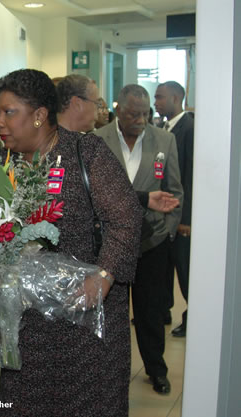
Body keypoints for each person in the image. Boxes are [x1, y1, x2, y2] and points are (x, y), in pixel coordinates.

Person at [0, 69, 142, 416]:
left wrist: (104, 277)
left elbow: (127, 218)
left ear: (40, 115)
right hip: (31, 327)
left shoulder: (85, 153)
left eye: (9, 112)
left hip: (87, 320)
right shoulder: (5, 164)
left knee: (85, 404)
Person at [96, 84, 183, 395]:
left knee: (150, 312)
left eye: (145, 113)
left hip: (152, 242)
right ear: (119, 110)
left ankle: (156, 369)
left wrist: (168, 232)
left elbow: (175, 190)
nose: (141, 119)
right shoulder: (98, 139)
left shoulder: (165, 140)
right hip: (111, 244)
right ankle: (109, 372)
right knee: (111, 314)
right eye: (133, 113)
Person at [155, 81, 194, 338]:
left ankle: (192, 316)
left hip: (181, 216)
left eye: (160, 97)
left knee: (185, 270)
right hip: (163, 212)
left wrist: (186, 218)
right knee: (165, 267)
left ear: (176, 98)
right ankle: (164, 311)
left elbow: (190, 176)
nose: (156, 102)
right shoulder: (161, 128)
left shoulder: (189, 128)